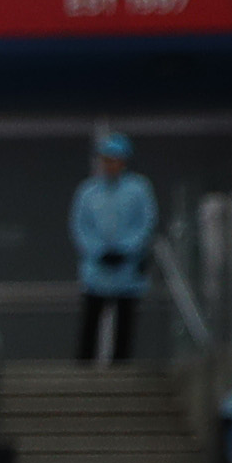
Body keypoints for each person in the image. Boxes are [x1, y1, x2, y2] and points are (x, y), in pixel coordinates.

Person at [70, 130, 158, 367]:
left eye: (113, 160)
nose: (109, 165)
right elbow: (80, 226)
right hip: (96, 268)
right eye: (105, 160)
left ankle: (121, 366)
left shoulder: (139, 189)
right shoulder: (87, 192)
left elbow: (146, 222)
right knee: (91, 320)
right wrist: (98, 251)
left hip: (127, 269)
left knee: (125, 322)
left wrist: (126, 249)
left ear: (123, 161)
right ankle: (84, 366)